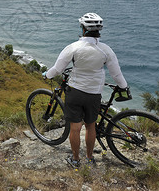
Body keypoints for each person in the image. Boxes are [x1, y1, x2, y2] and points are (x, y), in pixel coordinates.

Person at [43, 12, 128, 168]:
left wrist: (47, 75)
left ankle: (75, 160)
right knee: (91, 125)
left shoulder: (73, 47)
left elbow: (57, 68)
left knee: (75, 128)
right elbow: (116, 74)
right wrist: (124, 87)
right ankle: (89, 158)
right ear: (99, 31)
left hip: (75, 91)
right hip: (94, 93)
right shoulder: (106, 50)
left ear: (83, 29)